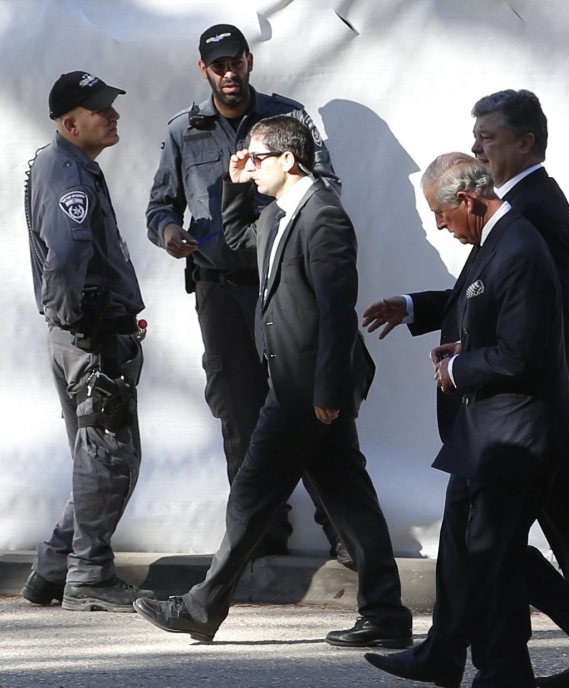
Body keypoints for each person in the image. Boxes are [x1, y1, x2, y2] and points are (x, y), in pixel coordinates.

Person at [363, 90, 569, 688]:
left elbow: (532, 329)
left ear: (524, 142)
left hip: (527, 415)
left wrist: (469, 368)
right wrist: (415, 308)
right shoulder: (511, 211)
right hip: (507, 414)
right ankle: (474, 658)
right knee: (480, 541)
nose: (479, 145)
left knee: (524, 546)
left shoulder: (531, 214)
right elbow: (480, 299)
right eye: (477, 137)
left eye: (488, 136)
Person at [132, 115, 411, 647]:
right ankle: (386, 615)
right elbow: (233, 238)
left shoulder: (324, 216)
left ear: (289, 159)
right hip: (296, 383)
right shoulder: (278, 215)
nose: (249, 165)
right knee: (350, 500)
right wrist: (233, 186)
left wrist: (328, 393)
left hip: (305, 389)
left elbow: (336, 311)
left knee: (251, 496)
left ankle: (202, 607)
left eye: (256, 158)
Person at [145, 23, 347, 562]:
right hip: (218, 290)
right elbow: (159, 206)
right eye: (218, 65)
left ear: (250, 61)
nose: (229, 72)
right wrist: (168, 234)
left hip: (281, 286)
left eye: (236, 61)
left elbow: (324, 184)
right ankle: (259, 539)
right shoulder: (181, 132)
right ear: (203, 70)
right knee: (239, 413)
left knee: (307, 405)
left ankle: (345, 530)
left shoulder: (286, 119)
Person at [21, 71, 153, 612]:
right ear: (71, 123)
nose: (113, 115)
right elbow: (70, 254)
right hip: (91, 338)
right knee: (110, 456)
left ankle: (53, 568)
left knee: (94, 456)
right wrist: (88, 320)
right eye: (102, 109)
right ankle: (89, 575)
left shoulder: (68, 166)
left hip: (79, 336)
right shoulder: (69, 172)